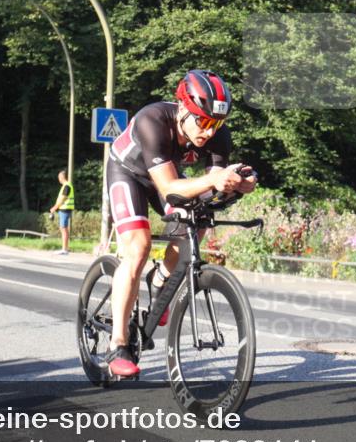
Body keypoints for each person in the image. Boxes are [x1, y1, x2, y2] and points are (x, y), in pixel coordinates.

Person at [104, 70, 257, 376]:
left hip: (166, 176)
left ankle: (159, 280)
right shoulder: (153, 121)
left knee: (197, 220)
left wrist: (238, 184)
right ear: (184, 110)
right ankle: (117, 344)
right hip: (128, 173)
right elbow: (170, 189)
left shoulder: (216, 134)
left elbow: (211, 189)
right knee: (138, 247)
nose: (209, 131)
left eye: (217, 124)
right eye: (203, 121)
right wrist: (214, 179)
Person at [49, 170, 75, 255]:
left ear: (62, 177)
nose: (58, 179)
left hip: (65, 209)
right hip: (65, 209)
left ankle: (64, 249)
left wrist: (54, 208)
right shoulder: (66, 186)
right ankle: (65, 248)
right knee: (63, 228)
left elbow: (63, 199)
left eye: (59, 177)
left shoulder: (67, 186)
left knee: (63, 228)